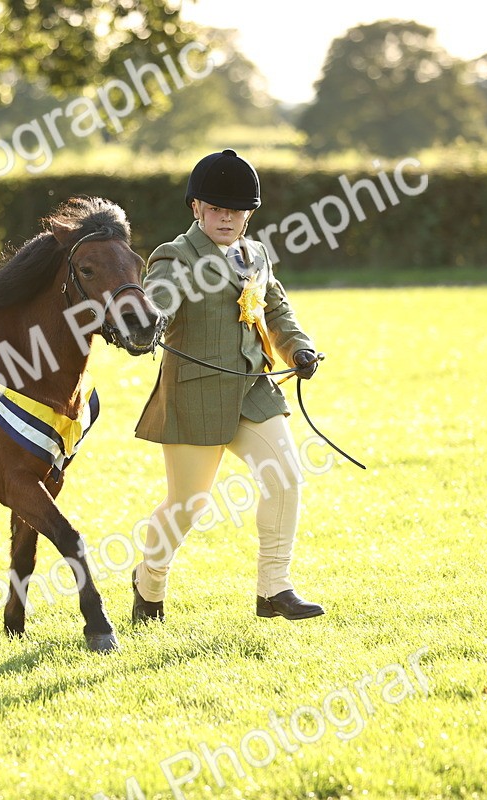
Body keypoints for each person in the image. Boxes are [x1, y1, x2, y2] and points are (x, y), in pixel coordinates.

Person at [132, 149, 324, 623]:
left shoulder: (255, 254)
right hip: (196, 392)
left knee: (286, 476)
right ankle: (149, 581)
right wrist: (152, 319)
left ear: (249, 214)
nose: (226, 218)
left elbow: (275, 310)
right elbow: (160, 296)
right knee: (188, 506)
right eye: (217, 209)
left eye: (236, 211)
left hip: (252, 388)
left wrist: (298, 349)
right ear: (196, 208)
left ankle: (274, 589)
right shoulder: (175, 256)